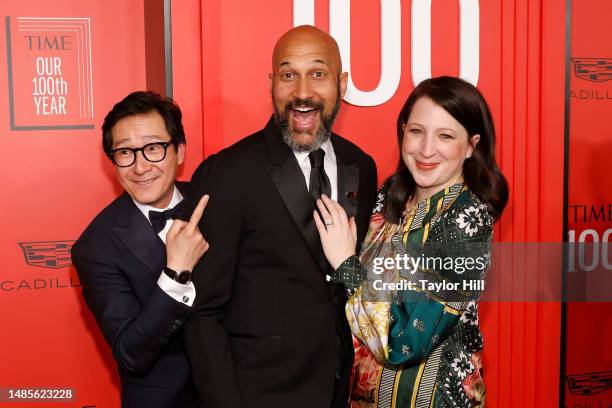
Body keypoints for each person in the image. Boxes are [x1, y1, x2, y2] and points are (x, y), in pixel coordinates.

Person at [183, 25, 378, 407]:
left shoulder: (362, 166)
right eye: (289, 75)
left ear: (342, 83)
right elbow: (201, 312)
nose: (302, 93)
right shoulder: (229, 173)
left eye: (318, 74)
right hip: (260, 393)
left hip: (343, 392)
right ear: (272, 83)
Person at [314, 76, 508, 407]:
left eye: (445, 136)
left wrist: (347, 265)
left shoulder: (466, 222)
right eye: (416, 131)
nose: (426, 150)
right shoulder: (391, 196)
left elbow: (402, 341)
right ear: (403, 129)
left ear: (472, 146)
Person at [72, 91, 209, 408]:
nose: (140, 166)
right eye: (125, 153)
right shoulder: (95, 247)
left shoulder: (216, 204)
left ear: (179, 151)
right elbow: (130, 352)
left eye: (153, 148)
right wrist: (175, 274)